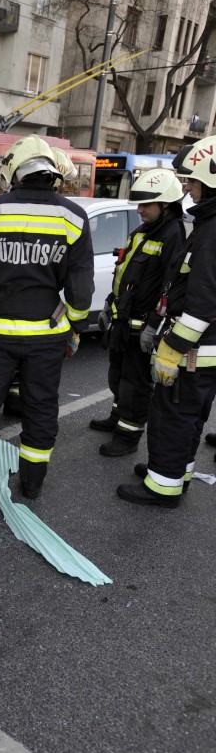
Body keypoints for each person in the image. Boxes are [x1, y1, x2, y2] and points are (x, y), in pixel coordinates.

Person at [0, 135, 94, 499]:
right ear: (50, 172)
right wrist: (75, 322)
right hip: (48, 335)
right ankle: (32, 483)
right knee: (41, 406)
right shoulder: (73, 216)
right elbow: (80, 288)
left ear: (15, 172)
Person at [117, 135, 216, 506]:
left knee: (173, 417)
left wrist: (172, 348)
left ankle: (162, 487)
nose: (187, 189)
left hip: (194, 352)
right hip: (204, 353)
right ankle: (176, 473)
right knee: (189, 419)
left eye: (191, 181)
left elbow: (203, 302)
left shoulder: (211, 232)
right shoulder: (207, 226)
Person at [89, 168, 185, 457]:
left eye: (147, 205)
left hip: (142, 325)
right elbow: (125, 272)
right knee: (118, 376)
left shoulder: (172, 235)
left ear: (165, 205)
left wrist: (154, 325)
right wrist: (109, 302)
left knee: (136, 385)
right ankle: (118, 418)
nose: (140, 210)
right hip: (122, 321)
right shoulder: (143, 231)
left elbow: (171, 287)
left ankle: (127, 438)